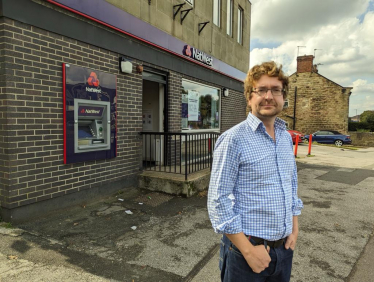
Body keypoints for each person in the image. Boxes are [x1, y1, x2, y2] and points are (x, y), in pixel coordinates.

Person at [207, 61, 303, 282]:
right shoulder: (233, 139)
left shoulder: (285, 138)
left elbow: (291, 184)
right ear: (250, 96)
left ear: (283, 96)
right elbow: (218, 201)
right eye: (261, 90)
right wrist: (249, 251)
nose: (269, 96)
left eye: (276, 90)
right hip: (245, 253)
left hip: (284, 250)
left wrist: (294, 230)